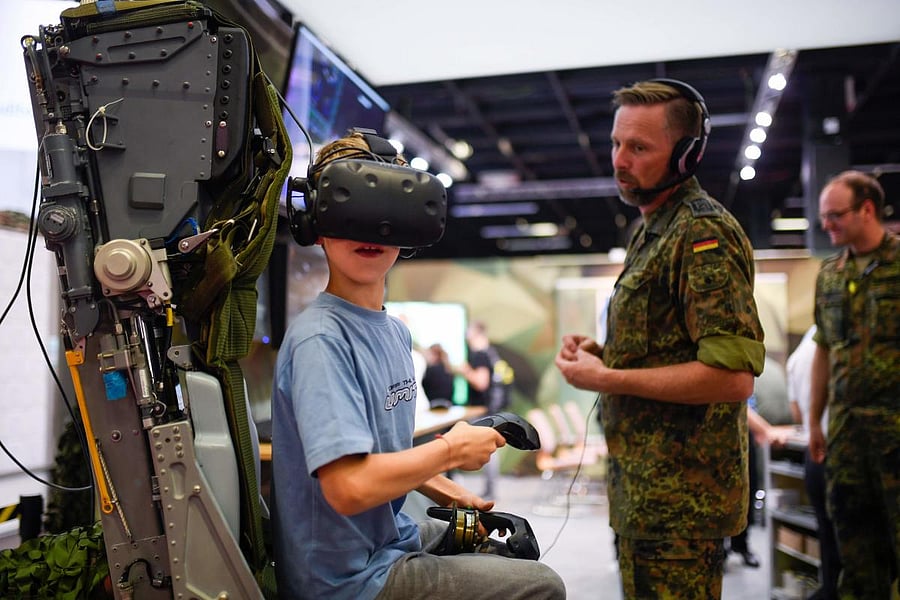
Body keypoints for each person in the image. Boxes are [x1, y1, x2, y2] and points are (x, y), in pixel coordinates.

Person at [270, 131, 566, 600]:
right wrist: (449, 450)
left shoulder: (393, 332)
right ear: (316, 223)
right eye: (349, 210)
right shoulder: (321, 340)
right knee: (542, 587)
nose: (368, 232)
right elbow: (348, 486)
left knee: (492, 541)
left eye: (383, 211)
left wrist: (444, 488)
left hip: (386, 539)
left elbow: (375, 448)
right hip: (346, 579)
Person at [554, 78, 766, 599]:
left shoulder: (701, 234)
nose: (620, 159)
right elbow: (666, 347)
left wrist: (608, 377)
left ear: (687, 156)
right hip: (645, 493)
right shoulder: (651, 231)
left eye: (640, 147)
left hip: (682, 502)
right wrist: (603, 355)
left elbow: (732, 377)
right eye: (616, 143)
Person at [809, 170, 899, 599]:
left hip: (895, 432)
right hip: (847, 436)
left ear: (867, 209)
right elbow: (823, 351)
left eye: (834, 215)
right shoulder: (829, 275)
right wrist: (813, 421)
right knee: (854, 550)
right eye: (822, 217)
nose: (827, 225)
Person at [788, 324, 841, 600]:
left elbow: (796, 412)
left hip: (815, 454)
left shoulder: (798, 356)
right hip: (847, 454)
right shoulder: (848, 341)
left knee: (830, 549)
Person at [456, 320, 500, 498]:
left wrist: (465, 371)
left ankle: (490, 491)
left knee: (487, 451)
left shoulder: (480, 355)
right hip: (491, 407)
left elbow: (481, 382)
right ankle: (490, 490)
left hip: (482, 410)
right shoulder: (491, 353)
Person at [422, 343, 455, 409]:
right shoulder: (448, 369)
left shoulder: (430, 370)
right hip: (448, 404)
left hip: (433, 404)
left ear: (435, 355)